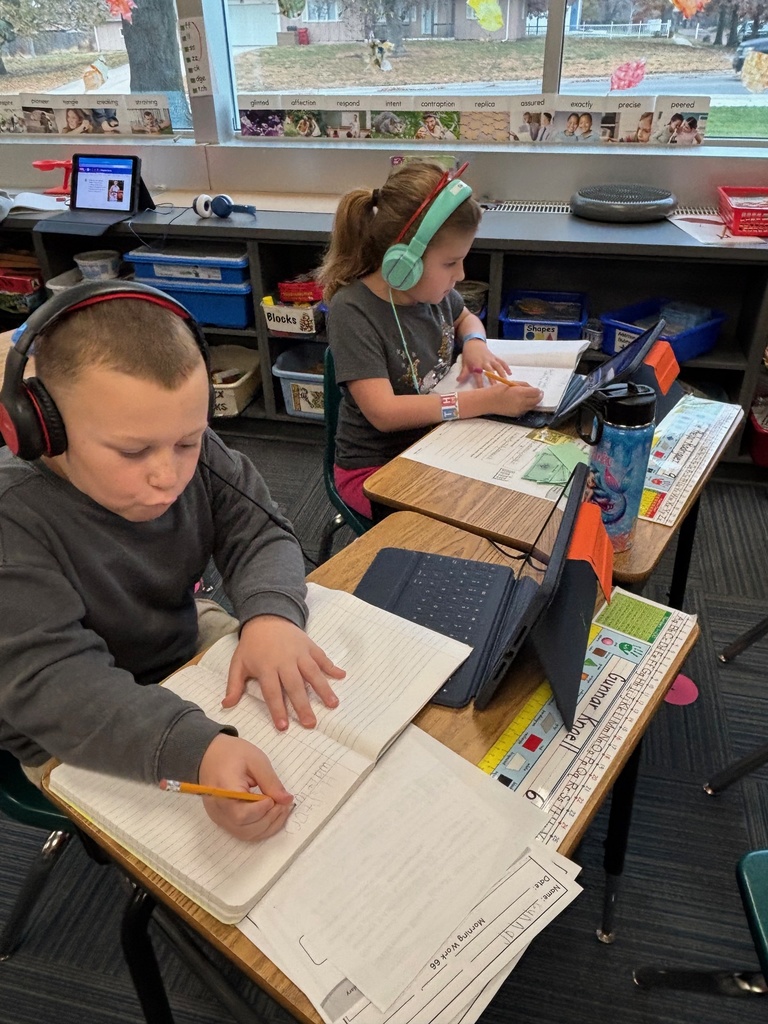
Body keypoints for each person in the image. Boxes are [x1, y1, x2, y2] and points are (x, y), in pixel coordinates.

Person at [0, 284, 345, 842]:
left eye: (188, 441)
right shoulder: (12, 520)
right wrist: (195, 749)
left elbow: (260, 530)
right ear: (44, 427)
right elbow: (52, 685)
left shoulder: (194, 453)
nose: (169, 474)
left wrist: (272, 617)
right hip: (60, 720)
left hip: (168, 646)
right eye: (133, 452)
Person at [317, 161, 543, 518]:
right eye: (451, 263)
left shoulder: (431, 296)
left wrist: (474, 344)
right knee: (469, 519)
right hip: (374, 469)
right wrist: (485, 401)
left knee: (514, 496)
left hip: (436, 445)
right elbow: (385, 413)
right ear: (403, 263)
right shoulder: (353, 312)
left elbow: (467, 318)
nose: (462, 274)